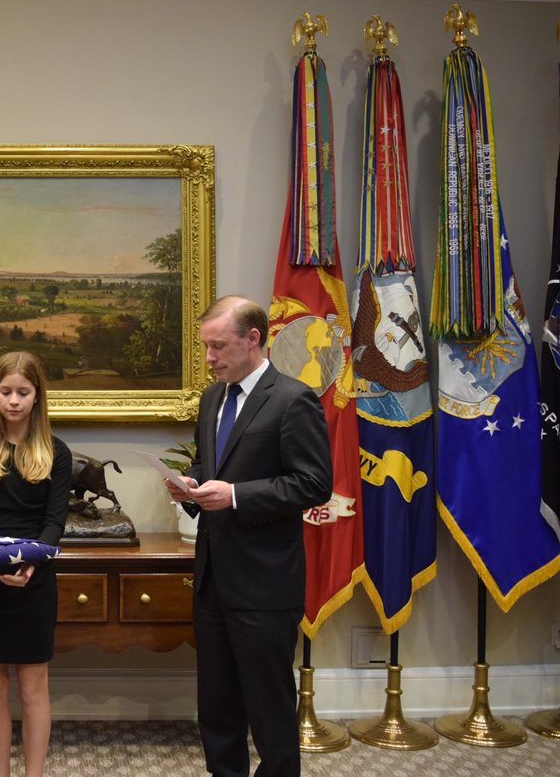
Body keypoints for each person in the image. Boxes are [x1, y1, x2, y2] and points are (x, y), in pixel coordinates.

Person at [165, 295, 332, 777]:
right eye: (206, 347)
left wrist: (236, 495)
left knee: (269, 710)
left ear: (253, 338)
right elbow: (211, 465)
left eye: (218, 346)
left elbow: (313, 484)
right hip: (213, 578)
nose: (210, 358)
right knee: (216, 708)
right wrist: (190, 484)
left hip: (265, 585)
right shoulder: (214, 397)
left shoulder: (292, 399)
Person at [0, 351, 72, 777]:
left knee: (34, 687)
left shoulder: (57, 452)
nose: (14, 401)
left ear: (38, 396)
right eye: (5, 391)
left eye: (23, 392)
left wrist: (31, 566)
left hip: (35, 580)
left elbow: (54, 523)